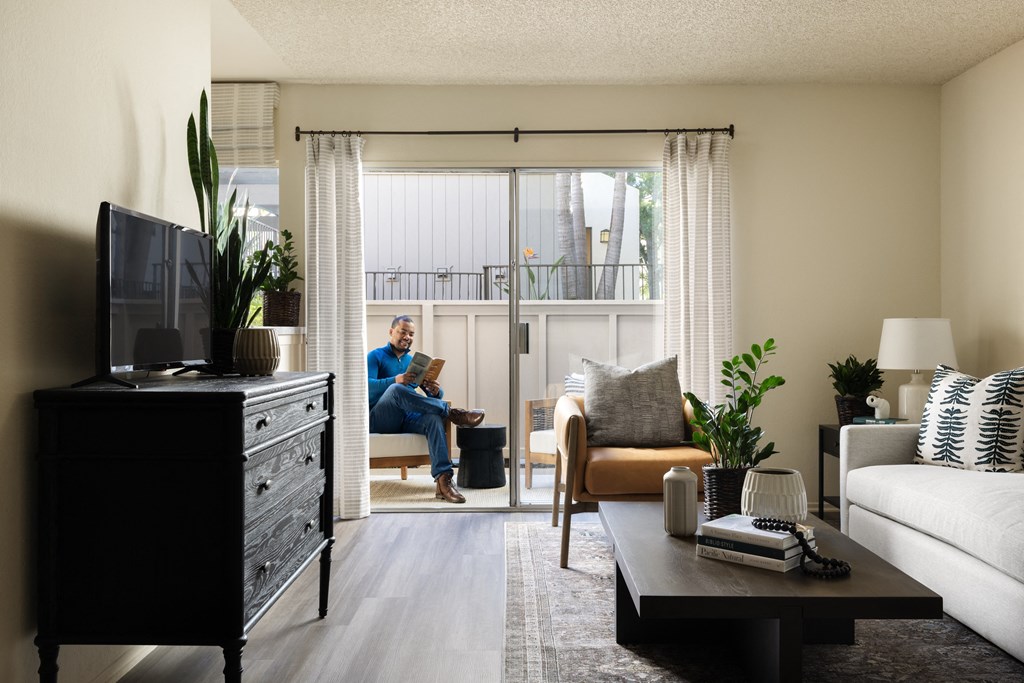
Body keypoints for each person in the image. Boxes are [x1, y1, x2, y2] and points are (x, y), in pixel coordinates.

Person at [368, 315, 484, 504]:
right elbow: (366, 386)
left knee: (432, 418)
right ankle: (453, 412)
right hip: (379, 418)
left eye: (411, 334)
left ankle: (443, 482)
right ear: (391, 332)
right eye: (403, 331)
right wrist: (395, 380)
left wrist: (436, 391)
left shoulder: (412, 361)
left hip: (405, 419)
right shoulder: (375, 356)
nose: (407, 337)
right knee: (397, 389)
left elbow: (425, 397)